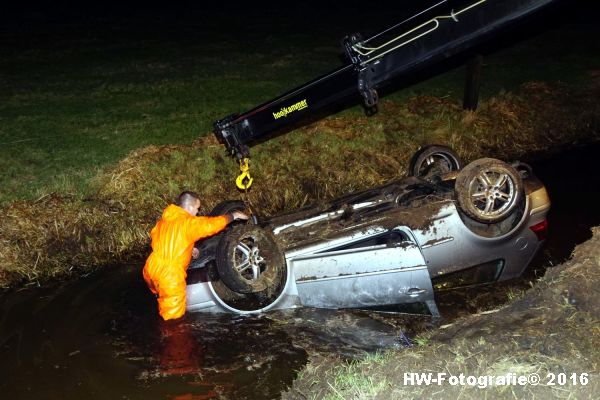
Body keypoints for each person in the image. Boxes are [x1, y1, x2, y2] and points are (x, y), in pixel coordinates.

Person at [143, 191, 248, 320]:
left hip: (151, 267)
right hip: (170, 275)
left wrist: (189, 247)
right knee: (173, 322)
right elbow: (210, 225)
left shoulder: (165, 220)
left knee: (160, 296)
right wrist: (233, 216)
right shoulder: (188, 222)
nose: (197, 212)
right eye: (197, 208)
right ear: (191, 207)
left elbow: (162, 239)